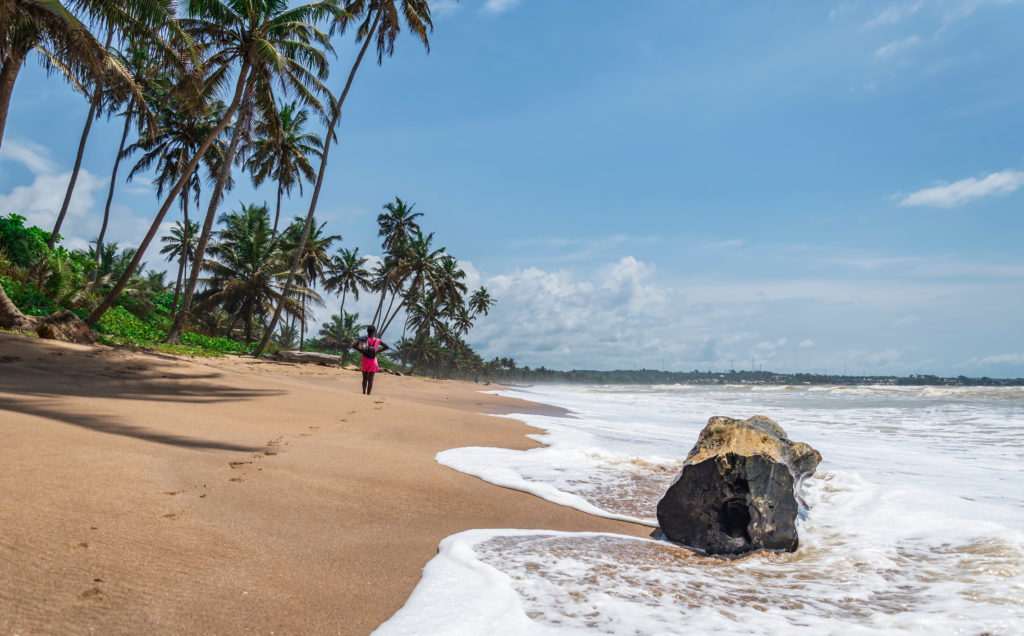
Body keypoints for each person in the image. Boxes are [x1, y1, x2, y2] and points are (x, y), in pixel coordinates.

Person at [358, 325, 389, 395]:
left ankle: (363, 392)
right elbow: (386, 347)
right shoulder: (377, 340)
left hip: (365, 360)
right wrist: (377, 351)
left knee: (364, 378)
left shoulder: (363, 339)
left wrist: (362, 351)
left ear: (367, 331)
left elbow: (354, 345)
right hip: (373, 361)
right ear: (374, 332)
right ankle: (368, 394)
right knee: (370, 380)